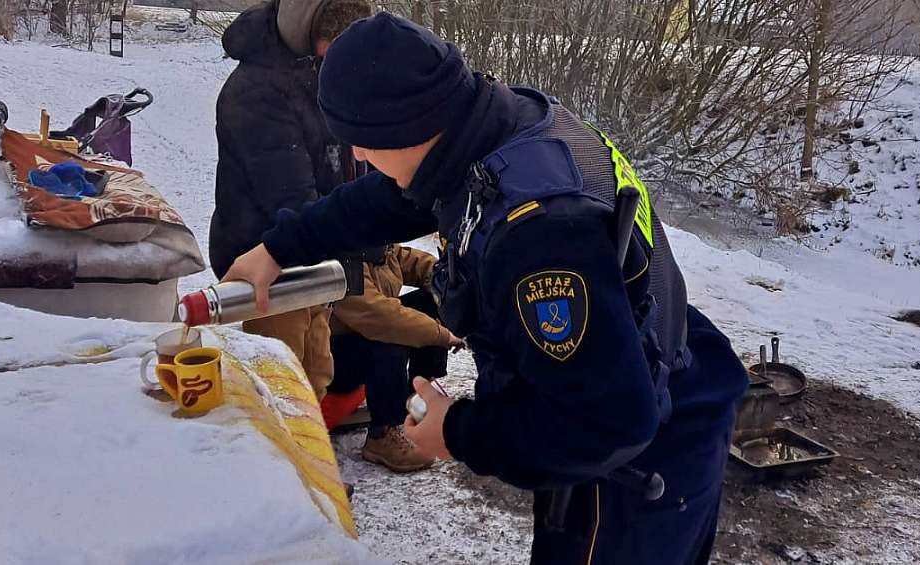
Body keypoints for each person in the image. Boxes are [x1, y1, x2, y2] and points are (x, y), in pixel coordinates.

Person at [223, 13, 748, 564]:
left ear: (403, 126)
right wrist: (277, 248)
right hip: (627, 368)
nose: (356, 156)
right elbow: (386, 199)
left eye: (361, 140)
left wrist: (459, 432)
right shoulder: (489, 125)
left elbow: (606, 426)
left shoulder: (539, 235)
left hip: (643, 454)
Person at [208, 0, 371, 401]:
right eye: (336, 51)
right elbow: (291, 198)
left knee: (316, 373)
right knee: (282, 386)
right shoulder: (255, 92)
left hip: (314, 253)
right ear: (311, 36)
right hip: (268, 261)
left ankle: (306, 454)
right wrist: (358, 231)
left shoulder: (316, 73)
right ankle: (277, 461)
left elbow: (344, 158)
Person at [326, 244, 463, 472]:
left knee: (432, 301)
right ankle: (383, 433)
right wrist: (443, 335)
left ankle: (418, 398)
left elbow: (409, 260)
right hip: (334, 362)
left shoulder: (375, 246)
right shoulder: (341, 259)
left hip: (363, 339)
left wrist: (445, 278)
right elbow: (382, 319)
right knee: (392, 336)